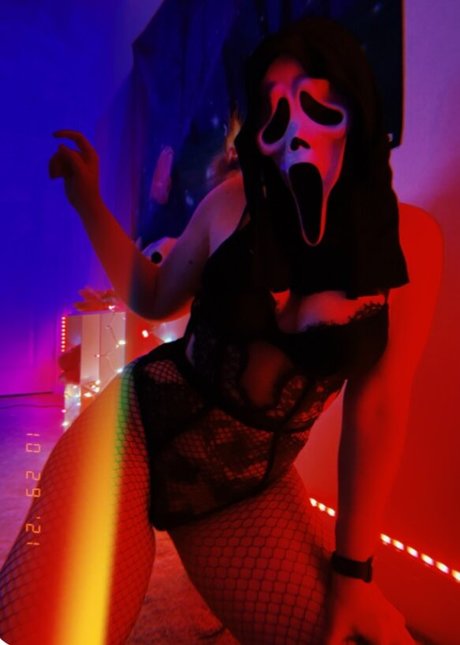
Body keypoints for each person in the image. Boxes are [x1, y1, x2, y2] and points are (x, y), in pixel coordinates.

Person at [0, 17, 442, 645]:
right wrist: (87, 201)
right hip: (136, 429)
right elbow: (154, 297)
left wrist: (355, 572)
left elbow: (377, 409)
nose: (296, 132)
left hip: (243, 485)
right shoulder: (233, 203)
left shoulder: (412, 243)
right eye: (273, 112)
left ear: (359, 108)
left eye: (318, 105)